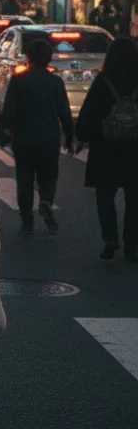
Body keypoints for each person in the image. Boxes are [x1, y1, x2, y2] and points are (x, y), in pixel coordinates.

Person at [0, 39, 72, 234]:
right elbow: (64, 112)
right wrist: (70, 137)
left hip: (24, 137)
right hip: (49, 137)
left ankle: (26, 219)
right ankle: (46, 200)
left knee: (24, 178)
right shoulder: (55, 82)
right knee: (48, 175)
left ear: (28, 58)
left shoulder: (18, 80)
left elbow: (8, 111)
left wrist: (3, 131)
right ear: (49, 59)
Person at [75, 36, 138, 261]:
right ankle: (132, 244)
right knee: (134, 199)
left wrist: (81, 137)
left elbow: (89, 112)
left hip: (106, 147)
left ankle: (110, 239)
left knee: (105, 194)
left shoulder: (103, 81)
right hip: (134, 149)